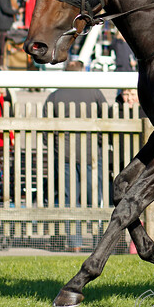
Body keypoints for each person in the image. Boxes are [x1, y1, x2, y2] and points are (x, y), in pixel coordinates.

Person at [43, 60, 107, 252]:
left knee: (69, 200)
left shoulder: (55, 96)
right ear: (82, 72)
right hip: (91, 154)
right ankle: (99, 241)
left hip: (64, 155)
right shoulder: (95, 92)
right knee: (96, 198)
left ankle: (75, 244)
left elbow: (47, 128)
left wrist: (56, 146)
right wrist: (100, 143)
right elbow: (106, 119)